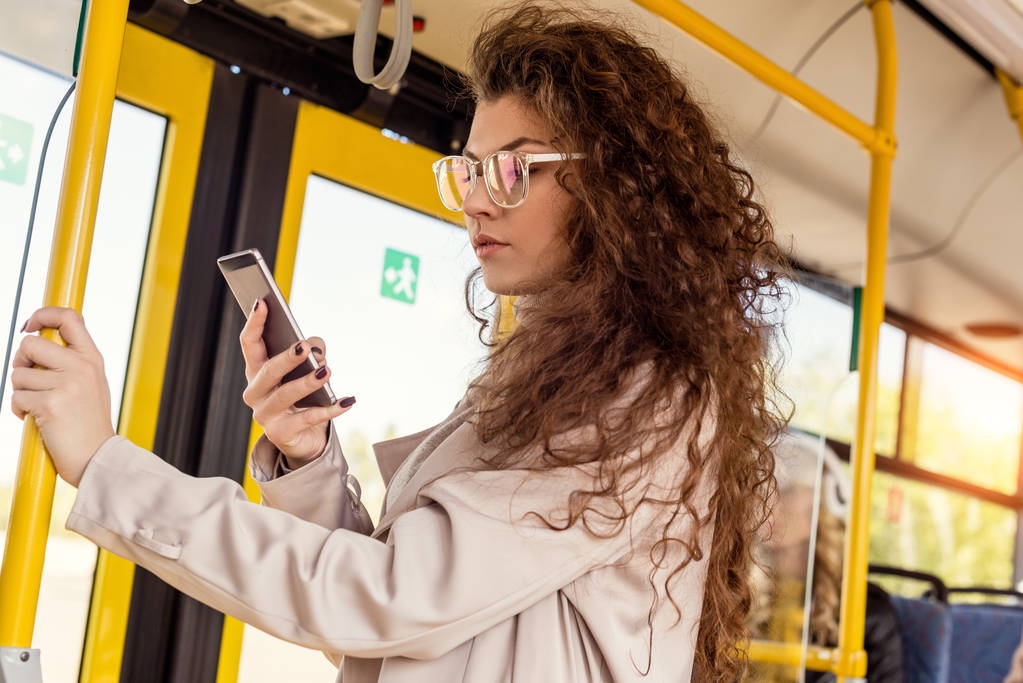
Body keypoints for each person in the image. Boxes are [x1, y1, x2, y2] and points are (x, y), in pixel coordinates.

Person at [10, 3, 788, 681]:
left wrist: (104, 463)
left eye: (511, 169)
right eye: (468, 171)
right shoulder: (549, 373)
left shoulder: (647, 393)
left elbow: (381, 600)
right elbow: (390, 633)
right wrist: (311, 461)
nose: (475, 202)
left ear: (617, 184)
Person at [749, 431, 904, 683]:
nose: (769, 503)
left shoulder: (867, 613)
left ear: (824, 503)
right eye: (762, 489)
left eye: (786, 490)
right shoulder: (738, 596)